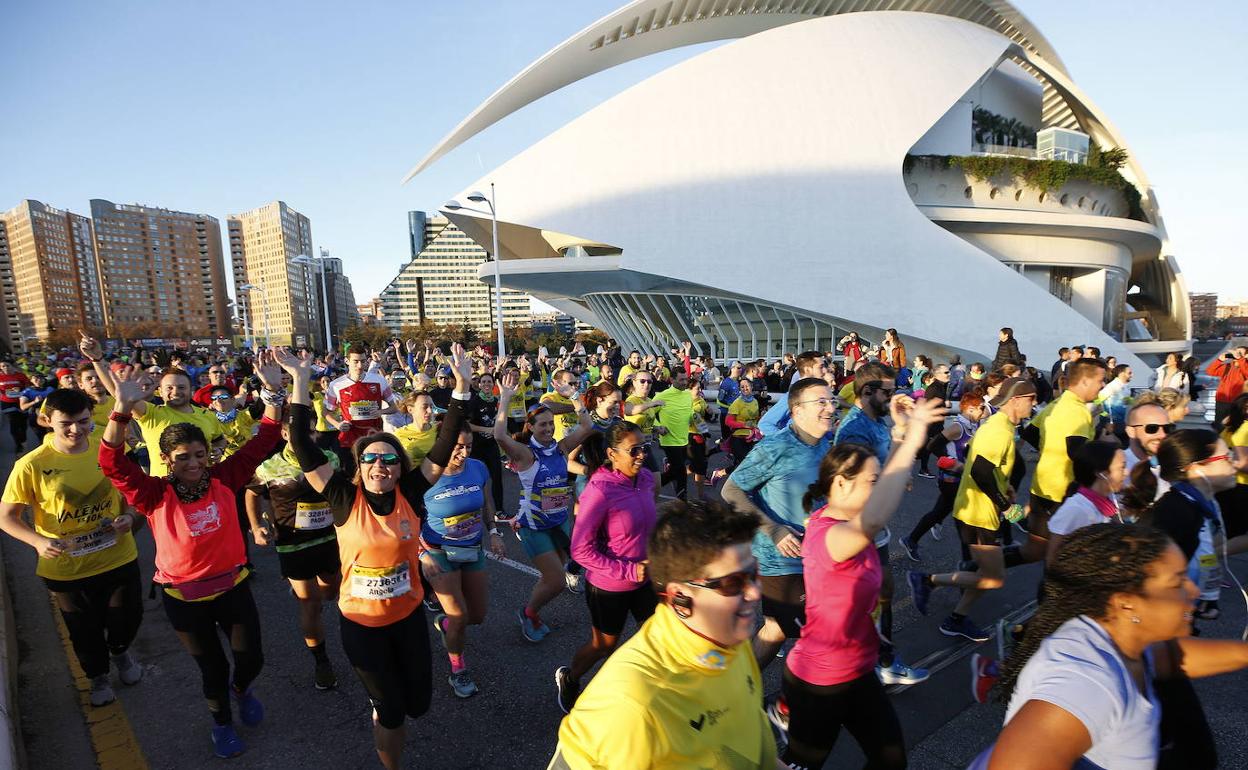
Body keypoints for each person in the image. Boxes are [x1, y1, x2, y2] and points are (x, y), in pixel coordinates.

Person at [283, 344, 472, 770]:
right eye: (370, 458)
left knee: (418, 705)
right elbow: (301, 443)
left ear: (400, 467)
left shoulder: (411, 492)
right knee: (391, 712)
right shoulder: (343, 498)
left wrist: (461, 388)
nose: (380, 464)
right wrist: (298, 382)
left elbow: (443, 446)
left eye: (389, 458)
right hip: (361, 625)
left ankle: (386, 704)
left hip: (406, 618)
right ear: (359, 465)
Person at [98, 355, 285, 758]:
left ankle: (243, 689)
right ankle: (221, 724)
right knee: (212, 670)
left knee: (250, 659)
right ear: (166, 460)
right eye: (184, 457)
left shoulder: (223, 477)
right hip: (184, 598)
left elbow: (265, 439)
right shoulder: (153, 494)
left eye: (200, 455)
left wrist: (272, 391)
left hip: (233, 587)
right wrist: (121, 408)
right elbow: (111, 463)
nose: (195, 464)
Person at [971, 523, 1248, 770]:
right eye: (1177, 582)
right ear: (1126, 602)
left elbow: (1171, 656)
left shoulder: (1120, 637)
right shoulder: (1085, 683)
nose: (1194, 590)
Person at [547, 499, 778, 770]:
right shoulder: (632, 702)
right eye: (733, 583)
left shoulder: (728, 639)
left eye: (754, 573)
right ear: (681, 597)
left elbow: (754, 749)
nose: (754, 592)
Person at [779, 396, 945, 769]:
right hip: (821, 680)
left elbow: (880, 501)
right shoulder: (830, 537)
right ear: (840, 483)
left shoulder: (842, 522)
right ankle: (784, 711)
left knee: (891, 762)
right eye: (872, 481)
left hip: (859, 670)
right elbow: (873, 519)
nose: (881, 487)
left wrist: (900, 436)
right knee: (802, 764)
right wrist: (916, 436)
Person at [0, 388, 144, 708]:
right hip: (67, 568)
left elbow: (133, 492)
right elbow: (7, 518)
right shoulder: (31, 465)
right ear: (46, 420)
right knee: (84, 630)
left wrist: (129, 516)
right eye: (66, 423)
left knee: (128, 617)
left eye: (83, 422)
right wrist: (38, 541)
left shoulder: (105, 450)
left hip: (117, 554)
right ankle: (97, 676)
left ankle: (120, 653)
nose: (76, 430)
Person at [719, 377, 835, 683]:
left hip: (817, 554)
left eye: (831, 401)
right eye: (821, 402)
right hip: (780, 559)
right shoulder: (776, 447)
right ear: (796, 411)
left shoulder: (826, 443)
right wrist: (774, 530)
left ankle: (738, 688)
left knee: (777, 630)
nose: (830, 408)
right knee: (815, 633)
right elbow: (731, 491)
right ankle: (791, 703)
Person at [909, 378, 1038, 642]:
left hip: (979, 510)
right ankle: (927, 581)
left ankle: (956, 618)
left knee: (985, 575)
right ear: (1016, 400)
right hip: (977, 513)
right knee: (993, 578)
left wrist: (1005, 488)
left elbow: (983, 465)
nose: (1034, 405)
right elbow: (980, 470)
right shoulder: (998, 430)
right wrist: (1007, 507)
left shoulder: (999, 426)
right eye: (1031, 398)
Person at [555, 422, 658, 713]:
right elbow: (580, 550)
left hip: (646, 579)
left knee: (657, 636)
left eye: (644, 449)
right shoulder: (599, 490)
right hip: (609, 585)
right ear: (612, 454)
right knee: (604, 645)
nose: (641, 456)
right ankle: (571, 678)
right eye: (634, 450)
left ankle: (642, 695)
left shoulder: (646, 479)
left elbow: (647, 527)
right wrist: (628, 570)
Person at [833, 362, 926, 683]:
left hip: (876, 521)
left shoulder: (876, 419)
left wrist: (900, 470)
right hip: (858, 523)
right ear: (868, 392)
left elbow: (884, 467)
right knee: (864, 597)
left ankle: (880, 660)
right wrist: (898, 470)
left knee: (883, 590)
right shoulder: (854, 430)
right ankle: (869, 664)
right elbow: (862, 483)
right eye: (887, 391)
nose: (893, 395)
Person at [244, 408, 342, 691]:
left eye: (311, 431)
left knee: (331, 593)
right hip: (293, 545)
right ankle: (321, 661)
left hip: (329, 541)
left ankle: (313, 592)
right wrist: (257, 525)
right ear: (285, 434)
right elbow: (252, 493)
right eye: (300, 432)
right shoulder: (269, 467)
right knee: (310, 604)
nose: (307, 437)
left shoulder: (330, 459)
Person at [495, 371, 594, 642]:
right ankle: (528, 613)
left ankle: (532, 609)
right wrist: (505, 398)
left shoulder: (561, 448)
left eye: (551, 424)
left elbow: (586, 427)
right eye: (542, 425)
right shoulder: (526, 453)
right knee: (556, 581)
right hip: (535, 526)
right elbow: (500, 435)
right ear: (532, 427)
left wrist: (575, 396)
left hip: (559, 520)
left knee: (552, 578)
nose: (548, 429)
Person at [421, 426, 505, 699]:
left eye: (468, 446)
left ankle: (447, 625)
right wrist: (421, 554)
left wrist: (493, 532)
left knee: (476, 616)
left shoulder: (477, 467)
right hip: (438, 551)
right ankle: (458, 669)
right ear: (442, 444)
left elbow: (485, 502)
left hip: (472, 548)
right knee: (459, 616)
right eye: (457, 446)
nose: (464, 452)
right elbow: (403, 520)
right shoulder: (425, 474)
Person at [82, 334, 227, 480]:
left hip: (203, 488)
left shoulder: (207, 415)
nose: (175, 391)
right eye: (169, 388)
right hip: (163, 491)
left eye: (181, 387)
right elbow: (119, 393)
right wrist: (97, 359)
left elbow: (219, 439)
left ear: (190, 390)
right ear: (160, 391)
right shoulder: (150, 414)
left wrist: (219, 449)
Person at [1136, 429, 1241, 624]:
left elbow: (1203, 556)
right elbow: (1153, 575)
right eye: (1226, 457)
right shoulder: (1175, 512)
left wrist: (1208, 599)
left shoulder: (1207, 503)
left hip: (1185, 610)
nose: (1234, 463)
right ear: (1195, 467)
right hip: (1163, 618)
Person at [1023, 358, 1104, 560]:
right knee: (1065, 555)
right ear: (1085, 381)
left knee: (1036, 549)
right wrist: (1105, 447)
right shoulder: (1078, 411)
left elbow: (1030, 433)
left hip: (1042, 484)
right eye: (1101, 380)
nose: (1103, 386)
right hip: (1065, 492)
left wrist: (1049, 451)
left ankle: (974, 568)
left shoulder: (1056, 404)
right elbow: (1077, 453)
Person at [901, 392, 987, 560]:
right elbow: (932, 445)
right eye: (981, 408)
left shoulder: (973, 424)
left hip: (961, 478)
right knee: (963, 520)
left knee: (939, 512)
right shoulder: (957, 427)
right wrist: (952, 461)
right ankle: (968, 563)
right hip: (951, 479)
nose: (983, 412)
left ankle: (911, 540)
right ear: (970, 409)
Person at [1045, 441, 1129, 562]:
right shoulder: (1075, 510)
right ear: (1102, 474)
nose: (1126, 473)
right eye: (1122, 467)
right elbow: (1052, 559)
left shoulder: (1109, 500)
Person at [324, 348, 400, 452]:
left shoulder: (379, 380)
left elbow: (394, 408)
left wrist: (381, 412)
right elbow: (326, 412)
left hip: (374, 436)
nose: (360, 365)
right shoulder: (336, 385)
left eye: (363, 361)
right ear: (347, 361)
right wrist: (337, 424)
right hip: (350, 437)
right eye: (356, 361)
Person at [466, 371, 505, 513]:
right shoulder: (474, 401)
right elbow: (466, 425)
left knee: (497, 478)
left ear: (493, 384)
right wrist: (486, 429)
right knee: (476, 481)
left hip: (491, 446)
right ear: (479, 385)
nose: (486, 384)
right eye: (484, 382)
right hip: (476, 447)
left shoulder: (496, 401)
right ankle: (472, 511)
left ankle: (499, 511)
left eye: (489, 382)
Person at [654, 370, 695, 500]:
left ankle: (649, 485)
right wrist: (657, 426)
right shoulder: (663, 395)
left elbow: (690, 412)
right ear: (672, 380)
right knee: (681, 471)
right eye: (681, 380)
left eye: (686, 379)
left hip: (683, 438)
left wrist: (696, 418)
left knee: (675, 471)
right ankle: (683, 501)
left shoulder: (688, 395)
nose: (685, 382)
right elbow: (649, 412)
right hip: (669, 440)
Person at [1217, 394, 1248, 547]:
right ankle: (1207, 559)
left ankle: (1204, 559)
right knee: (1238, 534)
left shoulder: (1228, 429)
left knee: (1228, 531)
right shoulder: (1245, 429)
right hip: (1241, 487)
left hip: (1226, 485)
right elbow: (1242, 464)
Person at [1205, 345, 1248, 426]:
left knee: (1235, 424)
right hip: (1221, 400)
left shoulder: (1245, 367)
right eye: (1236, 351)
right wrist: (1219, 360)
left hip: (1238, 402)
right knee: (1219, 424)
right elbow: (1210, 371)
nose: (1236, 354)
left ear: (1246, 355)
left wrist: (1240, 360)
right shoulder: (1228, 366)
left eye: (1240, 352)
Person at [725, 378, 761, 469]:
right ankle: (722, 473)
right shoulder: (737, 403)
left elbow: (755, 419)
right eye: (742, 387)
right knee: (745, 466)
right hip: (739, 438)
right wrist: (744, 425)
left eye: (747, 386)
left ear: (752, 386)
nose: (745, 388)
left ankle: (721, 473)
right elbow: (728, 422)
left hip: (753, 438)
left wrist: (761, 417)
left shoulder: (755, 401)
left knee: (750, 465)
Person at [0, 359, 32, 451]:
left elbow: (28, 387)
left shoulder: (20, 375)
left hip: (21, 402)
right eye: (2, 366)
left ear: (12, 366)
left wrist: (20, 389)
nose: (5, 367)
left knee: (23, 425)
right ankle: (18, 445)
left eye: (7, 365)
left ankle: (23, 441)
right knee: (13, 423)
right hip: (7, 403)